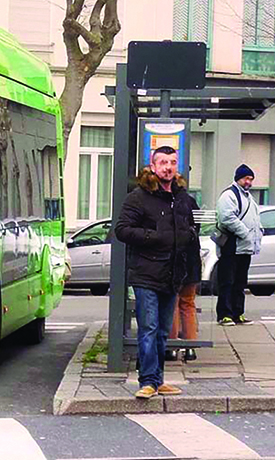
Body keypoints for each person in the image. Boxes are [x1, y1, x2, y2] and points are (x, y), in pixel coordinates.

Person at [114, 146, 196, 400]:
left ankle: (158, 380)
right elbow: (122, 230)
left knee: (162, 330)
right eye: (163, 162)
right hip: (146, 273)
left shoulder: (182, 197)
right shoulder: (138, 197)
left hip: (172, 274)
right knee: (148, 328)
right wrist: (154, 237)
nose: (168, 167)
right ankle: (147, 380)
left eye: (172, 162)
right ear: (152, 166)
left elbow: (190, 228)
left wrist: (188, 239)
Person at [215, 164, 263, 327]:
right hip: (232, 245)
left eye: (251, 179)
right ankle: (225, 315)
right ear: (238, 179)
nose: (249, 182)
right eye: (246, 178)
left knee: (240, 282)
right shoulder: (229, 195)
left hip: (244, 247)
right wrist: (245, 233)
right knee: (227, 281)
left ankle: (238, 313)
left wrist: (258, 233)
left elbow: (255, 218)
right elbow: (226, 217)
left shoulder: (249, 197)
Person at [168, 173, 202, 362]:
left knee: (172, 302)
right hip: (192, 261)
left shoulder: (167, 202)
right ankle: (190, 347)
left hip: (174, 261)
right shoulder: (190, 202)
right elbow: (196, 228)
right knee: (188, 304)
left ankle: (172, 346)